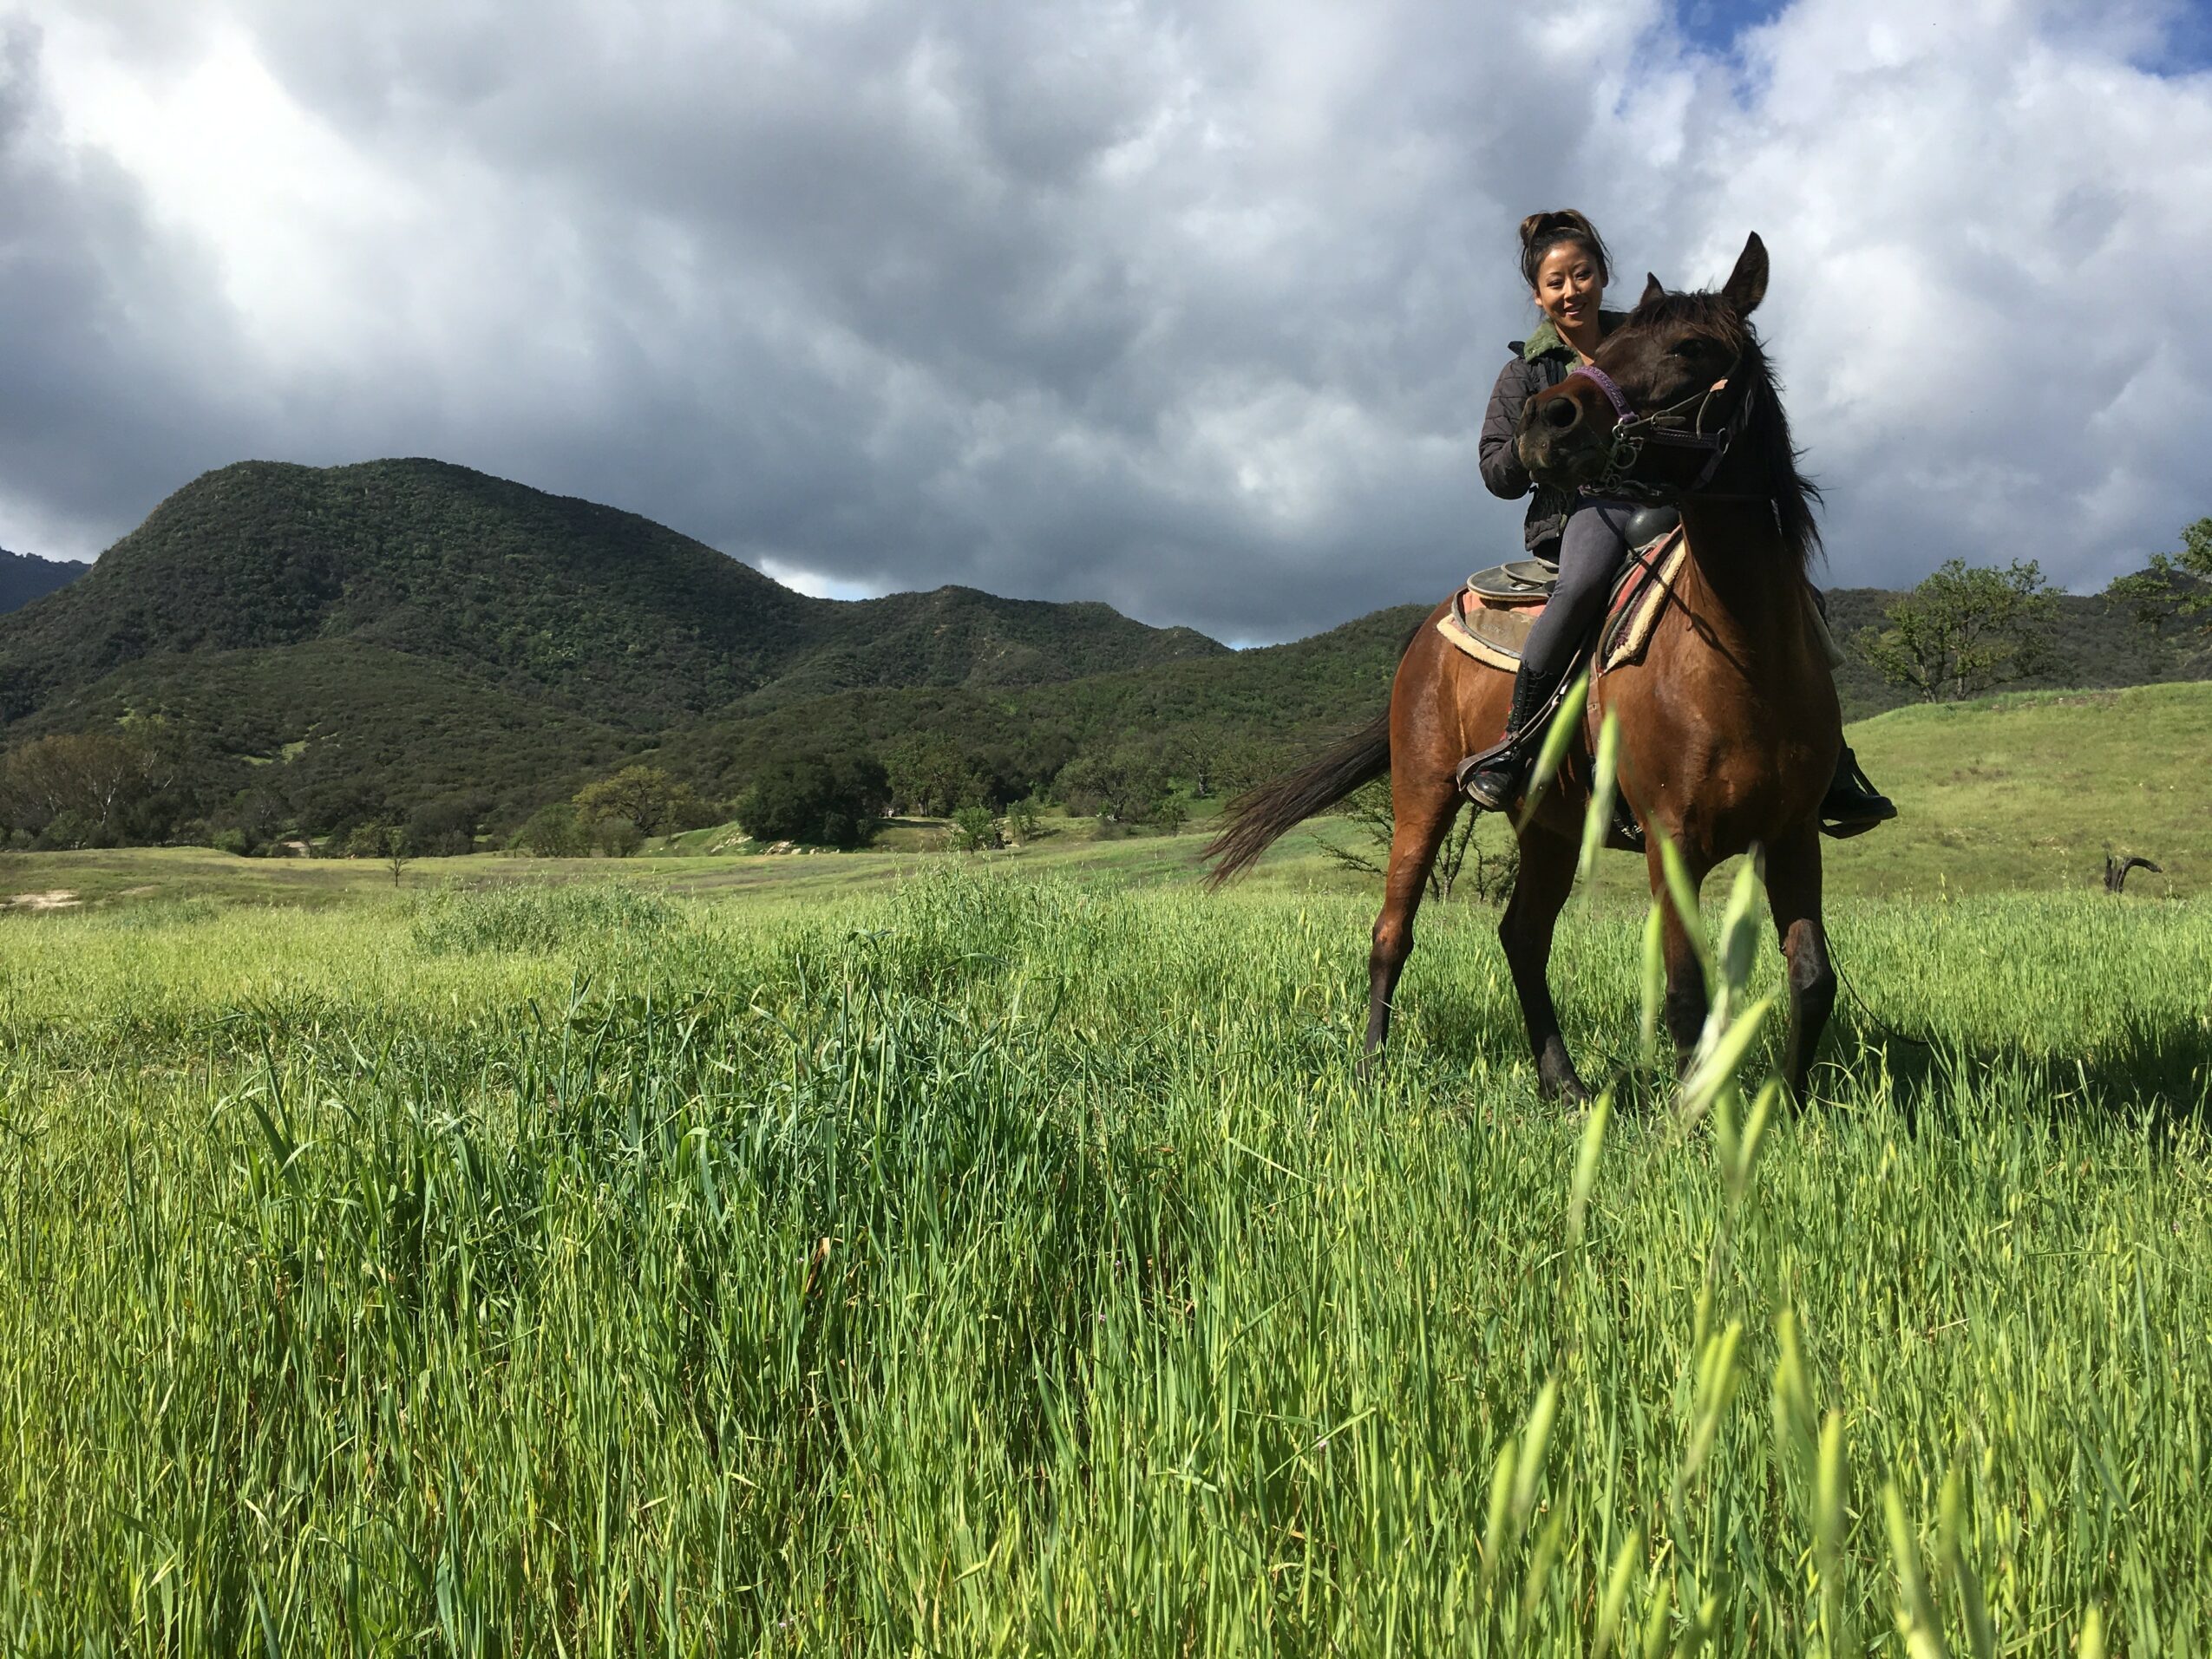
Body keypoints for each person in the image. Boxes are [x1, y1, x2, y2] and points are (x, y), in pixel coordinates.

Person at [1466, 208, 1895, 833]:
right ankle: (1518, 740)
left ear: (1602, 275)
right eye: (1555, 282)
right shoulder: (1527, 372)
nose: (1571, 290)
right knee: (1583, 585)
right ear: (1539, 295)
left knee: (1782, 586)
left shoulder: (1640, 336)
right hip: (1589, 506)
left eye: (1581, 274)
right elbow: (1495, 471)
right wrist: (1535, 450)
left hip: (1668, 497)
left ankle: (1830, 763)